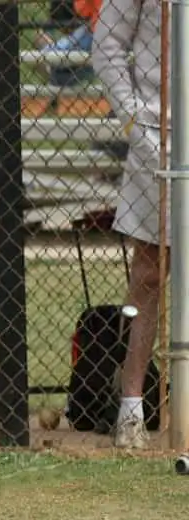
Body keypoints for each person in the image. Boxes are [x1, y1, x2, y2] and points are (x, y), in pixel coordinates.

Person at [92, 0, 165, 448]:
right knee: (149, 273)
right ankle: (132, 408)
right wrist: (137, 120)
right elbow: (107, 44)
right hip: (157, 132)